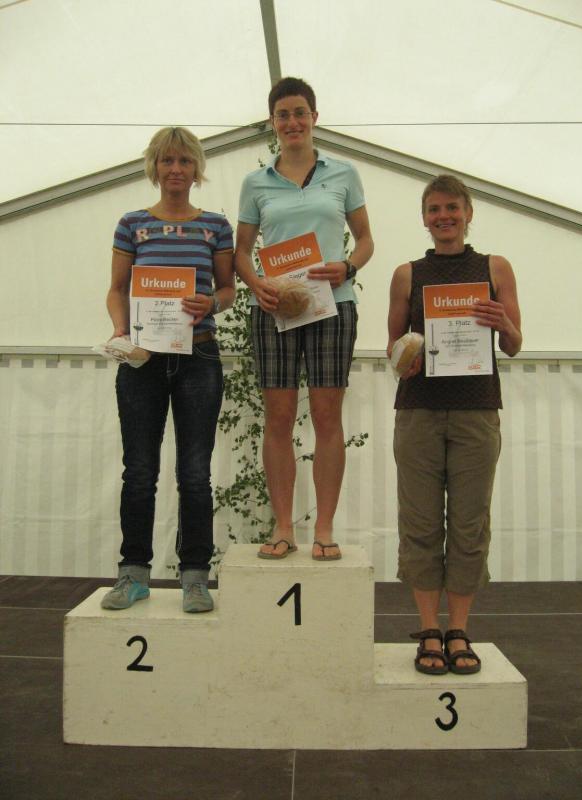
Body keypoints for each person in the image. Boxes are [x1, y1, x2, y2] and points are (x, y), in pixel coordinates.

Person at [234, 77, 374, 561]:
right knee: (277, 417)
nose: (292, 122)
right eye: (283, 115)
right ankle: (283, 527)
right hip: (274, 308)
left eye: (299, 112)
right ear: (272, 123)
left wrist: (348, 266)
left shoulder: (344, 173)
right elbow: (241, 252)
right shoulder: (255, 183)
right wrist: (257, 285)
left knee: (327, 415)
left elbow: (366, 239)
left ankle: (326, 529)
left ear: (314, 117)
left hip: (332, 305)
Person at [387, 175, 522, 674]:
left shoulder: (495, 267)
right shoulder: (407, 274)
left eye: (452, 208)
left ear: (468, 213)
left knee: (469, 524)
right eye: (434, 209)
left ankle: (459, 630)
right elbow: (392, 349)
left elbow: (514, 344)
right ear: (424, 217)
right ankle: (429, 630)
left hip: (477, 411)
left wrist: (502, 322)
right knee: (420, 523)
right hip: (418, 411)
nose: (443, 216)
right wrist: (406, 356)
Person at [101, 126, 235, 613]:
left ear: (197, 169)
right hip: (142, 361)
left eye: (184, 161)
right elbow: (117, 289)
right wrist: (121, 330)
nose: (175, 169)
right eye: (167, 161)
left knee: (195, 474)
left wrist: (210, 304)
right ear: (154, 168)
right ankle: (133, 574)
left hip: (199, 358)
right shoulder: (132, 224)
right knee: (139, 471)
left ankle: (195, 578)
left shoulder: (215, 225)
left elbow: (227, 290)